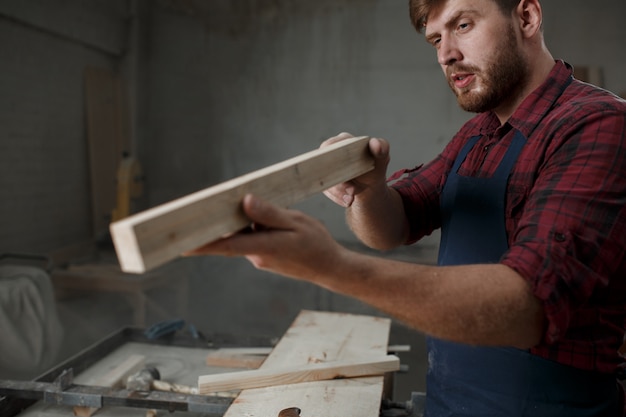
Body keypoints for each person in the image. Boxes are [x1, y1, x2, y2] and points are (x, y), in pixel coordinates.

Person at [189, 0, 626, 415]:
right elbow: (393, 225)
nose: (446, 55)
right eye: (435, 39)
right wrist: (369, 189)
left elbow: (530, 306)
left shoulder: (597, 125)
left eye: (463, 25)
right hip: (449, 403)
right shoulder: (479, 134)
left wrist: (329, 265)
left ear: (527, 17)